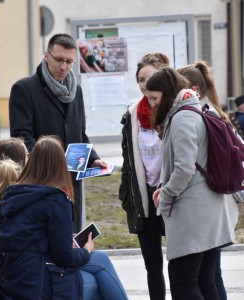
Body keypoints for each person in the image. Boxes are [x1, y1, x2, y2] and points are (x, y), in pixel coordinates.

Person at [0, 135, 128, 300]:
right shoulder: (56, 199)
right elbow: (64, 257)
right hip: (36, 285)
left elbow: (33, 237)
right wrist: (85, 250)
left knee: (101, 259)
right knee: (97, 281)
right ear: (61, 164)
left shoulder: (16, 193)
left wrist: (67, 240)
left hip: (16, 277)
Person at [146, 67, 234, 299]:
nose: (152, 104)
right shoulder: (193, 109)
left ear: (167, 93)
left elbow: (184, 168)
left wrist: (166, 195)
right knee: (205, 280)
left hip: (194, 214)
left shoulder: (183, 117)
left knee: (183, 282)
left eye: (154, 98)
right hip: (207, 209)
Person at [9, 33, 107, 232]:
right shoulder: (24, 89)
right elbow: (21, 136)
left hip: (71, 182)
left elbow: (81, 134)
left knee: (71, 236)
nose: (64, 67)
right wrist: (52, 160)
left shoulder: (76, 90)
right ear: (47, 56)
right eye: (59, 59)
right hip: (42, 181)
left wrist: (93, 159)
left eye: (69, 62)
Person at [177, 60, 239, 300]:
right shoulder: (212, 111)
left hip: (210, 203)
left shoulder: (200, 115)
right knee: (211, 275)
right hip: (219, 201)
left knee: (208, 277)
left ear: (192, 88)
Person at [119, 53, 168, 300]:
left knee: (183, 264)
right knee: (152, 266)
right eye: (140, 79)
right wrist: (128, 196)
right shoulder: (132, 114)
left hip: (172, 194)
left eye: (150, 78)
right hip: (144, 196)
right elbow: (129, 162)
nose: (145, 84)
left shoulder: (173, 112)